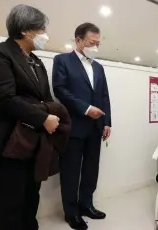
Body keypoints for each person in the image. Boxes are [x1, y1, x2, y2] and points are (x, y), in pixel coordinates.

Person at [0, 5, 59, 230]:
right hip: (7, 142)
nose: (45, 34)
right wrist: (43, 118)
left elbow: (46, 97)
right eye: (41, 28)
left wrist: (52, 114)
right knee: (10, 202)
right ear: (26, 30)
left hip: (33, 142)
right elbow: (4, 98)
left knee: (31, 198)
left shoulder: (35, 60)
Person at [53, 22, 111, 230]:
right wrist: (86, 109)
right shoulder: (62, 60)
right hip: (73, 127)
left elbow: (104, 96)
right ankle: (71, 213)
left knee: (90, 170)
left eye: (98, 43)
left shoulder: (98, 66)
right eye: (91, 42)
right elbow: (59, 89)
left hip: (96, 128)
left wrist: (107, 122)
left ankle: (86, 205)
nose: (95, 46)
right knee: (70, 172)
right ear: (78, 40)